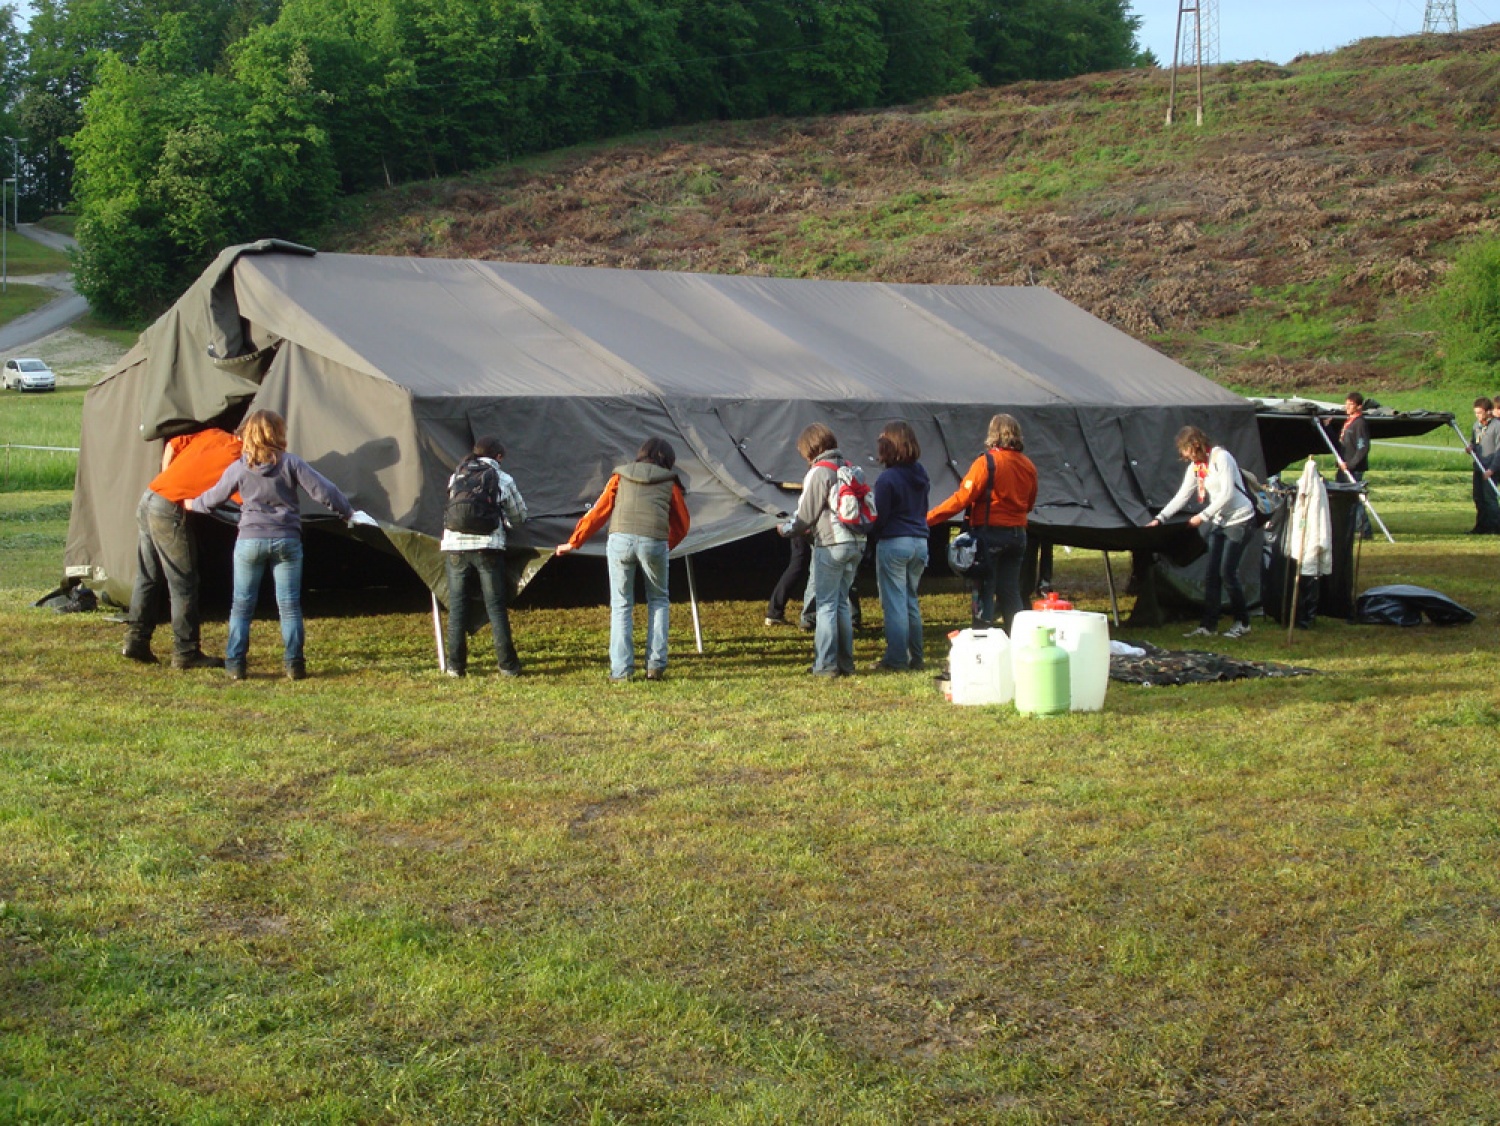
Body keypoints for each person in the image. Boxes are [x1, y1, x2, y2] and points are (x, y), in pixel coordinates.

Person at [188, 410, 356, 681]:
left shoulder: (240, 467)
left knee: (242, 605)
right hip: (286, 539)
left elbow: (213, 498)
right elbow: (324, 491)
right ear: (277, 433)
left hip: (250, 540)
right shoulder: (291, 463)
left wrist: (191, 504)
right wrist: (347, 512)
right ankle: (294, 664)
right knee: (289, 605)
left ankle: (236, 664)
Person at [556, 438, 690, 682]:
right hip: (654, 541)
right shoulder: (670, 482)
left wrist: (574, 542)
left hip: (619, 540)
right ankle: (655, 666)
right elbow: (682, 524)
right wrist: (663, 545)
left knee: (621, 605)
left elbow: (599, 510)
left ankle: (621, 671)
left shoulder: (620, 475)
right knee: (658, 600)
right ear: (668, 460)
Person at [121, 424, 243, 669]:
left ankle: (136, 639)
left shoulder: (214, 435)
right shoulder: (240, 458)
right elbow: (248, 499)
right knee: (183, 581)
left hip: (149, 496)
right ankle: (186, 652)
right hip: (168, 509)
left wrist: (168, 480)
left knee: (148, 575)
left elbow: (171, 445)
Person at [927, 413, 1037, 636]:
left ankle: (982, 636)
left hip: (990, 536)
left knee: (984, 587)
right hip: (1017, 535)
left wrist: (929, 518)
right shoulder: (1028, 466)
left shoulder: (987, 463)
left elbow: (962, 499)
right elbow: (1029, 503)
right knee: (1010, 591)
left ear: (993, 434)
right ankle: (1019, 640)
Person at [1146, 425, 1255, 639]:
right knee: (1212, 574)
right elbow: (1182, 496)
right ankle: (1209, 626)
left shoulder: (1221, 458)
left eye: (1187, 453)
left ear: (1196, 445)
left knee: (1227, 573)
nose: (1187, 459)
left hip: (1240, 519)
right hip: (1220, 521)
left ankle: (1242, 622)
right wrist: (1160, 519)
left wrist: (1202, 517)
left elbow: (1227, 494)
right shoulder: (1197, 468)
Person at [779, 423, 865, 677]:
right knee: (841, 603)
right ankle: (845, 664)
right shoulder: (848, 467)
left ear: (810, 448)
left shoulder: (819, 471)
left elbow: (805, 515)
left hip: (832, 542)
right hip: (856, 542)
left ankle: (825, 665)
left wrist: (785, 529)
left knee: (826, 604)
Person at [441, 437, 528, 678]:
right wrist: (506, 521)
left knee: (457, 607)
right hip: (488, 548)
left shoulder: (457, 475)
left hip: (454, 547)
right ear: (498, 457)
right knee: (496, 607)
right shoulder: (502, 478)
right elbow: (520, 516)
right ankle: (507, 665)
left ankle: (455, 667)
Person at [868, 421, 930, 671]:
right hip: (920, 541)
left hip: (895, 542)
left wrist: (869, 532)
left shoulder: (887, 479)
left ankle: (895, 658)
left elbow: (880, 517)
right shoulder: (921, 473)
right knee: (910, 601)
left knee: (894, 603)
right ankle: (916, 657)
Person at [1334, 391, 1372, 540]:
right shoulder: (1348, 422)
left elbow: (1363, 447)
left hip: (1353, 470)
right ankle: (1345, 529)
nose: (1347, 407)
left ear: (1359, 407)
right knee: (1341, 500)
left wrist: (1350, 464)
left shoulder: (1360, 424)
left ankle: (1365, 531)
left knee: (1354, 500)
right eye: (1347, 403)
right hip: (1343, 467)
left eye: (1351, 404)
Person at [1465, 397, 1500, 535]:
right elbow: (1475, 442)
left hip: (1491, 469)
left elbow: (1499, 451)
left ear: (1488, 411)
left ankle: (1496, 526)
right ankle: (1481, 526)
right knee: (1478, 497)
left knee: (1489, 498)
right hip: (1478, 467)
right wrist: (1471, 448)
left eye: (1480, 413)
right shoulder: (1476, 426)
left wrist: (1492, 469)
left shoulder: (1497, 426)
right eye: (1476, 413)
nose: (1477, 416)